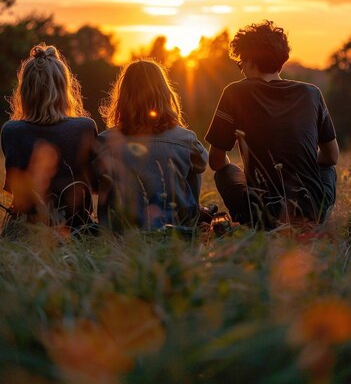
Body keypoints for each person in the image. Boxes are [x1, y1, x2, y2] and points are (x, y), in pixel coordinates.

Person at [205, 20, 338, 228]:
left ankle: (254, 221)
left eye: (240, 63)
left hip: (260, 210)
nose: (241, 70)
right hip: (312, 207)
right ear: (281, 61)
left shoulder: (235, 92)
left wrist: (248, 174)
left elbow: (216, 161)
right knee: (327, 169)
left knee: (225, 173)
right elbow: (331, 156)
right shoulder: (312, 93)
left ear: (248, 60)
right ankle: (312, 220)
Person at [94, 59, 208, 230]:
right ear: (165, 93)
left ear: (123, 96)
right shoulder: (186, 139)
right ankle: (190, 217)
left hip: (121, 230)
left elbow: (94, 186)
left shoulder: (104, 141)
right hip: (177, 227)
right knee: (194, 164)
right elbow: (204, 164)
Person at [1, 45, 98, 230]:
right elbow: (94, 186)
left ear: (25, 91)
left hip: (25, 231)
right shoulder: (85, 127)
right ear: (64, 88)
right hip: (77, 229)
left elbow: (14, 189)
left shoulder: (11, 130)